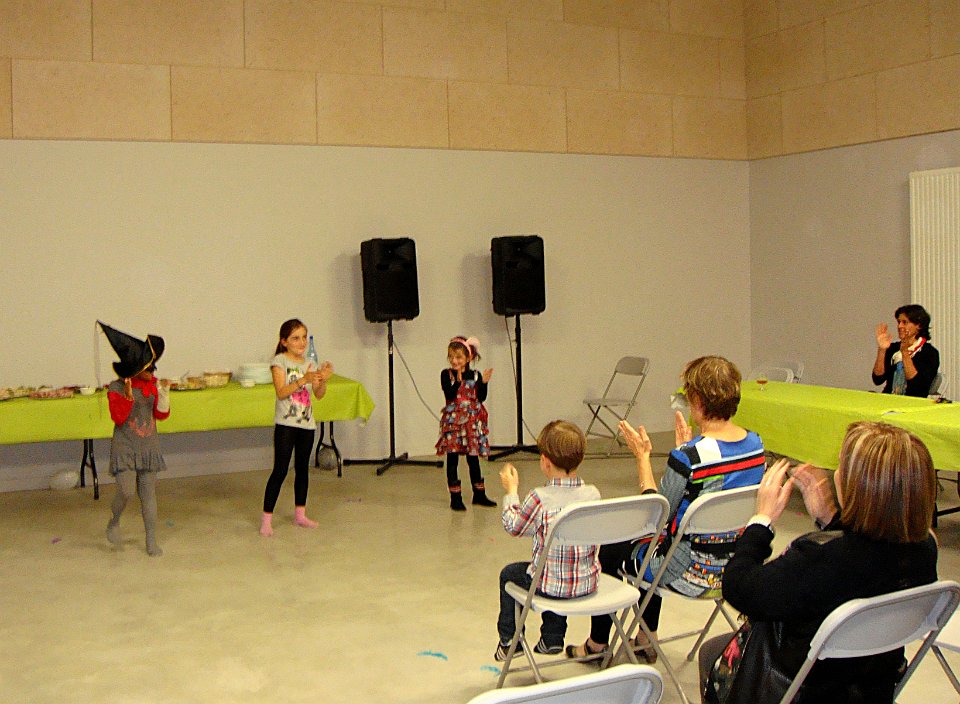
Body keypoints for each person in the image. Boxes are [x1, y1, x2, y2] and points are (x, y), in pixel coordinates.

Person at [700, 422, 938, 704]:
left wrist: (761, 521)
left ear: (859, 488)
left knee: (712, 652)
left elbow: (739, 587)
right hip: (870, 687)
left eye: (842, 467)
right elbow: (868, 556)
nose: (836, 474)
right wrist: (831, 519)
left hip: (804, 690)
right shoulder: (925, 550)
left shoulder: (820, 557)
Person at [566, 355, 765, 661]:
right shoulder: (756, 445)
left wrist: (643, 458)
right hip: (737, 567)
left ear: (697, 400)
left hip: (690, 573)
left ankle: (597, 645)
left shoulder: (690, 457)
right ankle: (645, 638)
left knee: (613, 550)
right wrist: (686, 449)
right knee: (655, 545)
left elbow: (655, 517)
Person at [495, 420, 601, 660]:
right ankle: (552, 638)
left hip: (551, 585)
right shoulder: (592, 495)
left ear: (545, 461)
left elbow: (514, 527)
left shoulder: (539, 498)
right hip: (587, 582)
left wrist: (511, 492)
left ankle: (510, 641)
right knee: (557, 564)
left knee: (511, 574)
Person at [99, 321, 171, 557]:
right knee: (126, 490)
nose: (152, 372)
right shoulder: (116, 387)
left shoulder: (152, 385)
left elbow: (161, 415)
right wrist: (128, 397)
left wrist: (164, 395)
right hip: (126, 446)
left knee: (148, 494)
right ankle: (114, 519)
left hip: (148, 445)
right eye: (148, 367)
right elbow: (118, 418)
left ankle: (151, 539)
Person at [260, 319, 333, 537]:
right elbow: (281, 392)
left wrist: (322, 379)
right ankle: (266, 518)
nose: (301, 343)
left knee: (302, 469)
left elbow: (318, 394)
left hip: (306, 424)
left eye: (304, 337)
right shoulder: (279, 361)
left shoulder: (309, 363)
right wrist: (303, 380)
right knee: (281, 470)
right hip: (286, 424)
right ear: (284, 342)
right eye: (295, 338)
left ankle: (300, 514)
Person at [435, 335, 496, 510]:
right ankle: (455, 498)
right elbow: (449, 394)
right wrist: (458, 381)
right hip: (454, 423)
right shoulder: (446, 375)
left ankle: (479, 494)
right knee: (452, 458)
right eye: (451, 357)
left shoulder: (475, 375)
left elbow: (481, 397)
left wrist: (484, 383)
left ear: (468, 358)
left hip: (471, 422)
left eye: (459, 357)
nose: (454, 361)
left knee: (473, 458)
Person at [872, 304, 940, 397]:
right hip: (889, 399)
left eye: (905, 322)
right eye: (899, 322)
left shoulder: (929, 353)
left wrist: (905, 353)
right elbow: (877, 379)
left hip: (913, 401)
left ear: (919, 325)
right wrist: (882, 349)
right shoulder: (893, 348)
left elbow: (916, 385)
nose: (900, 326)